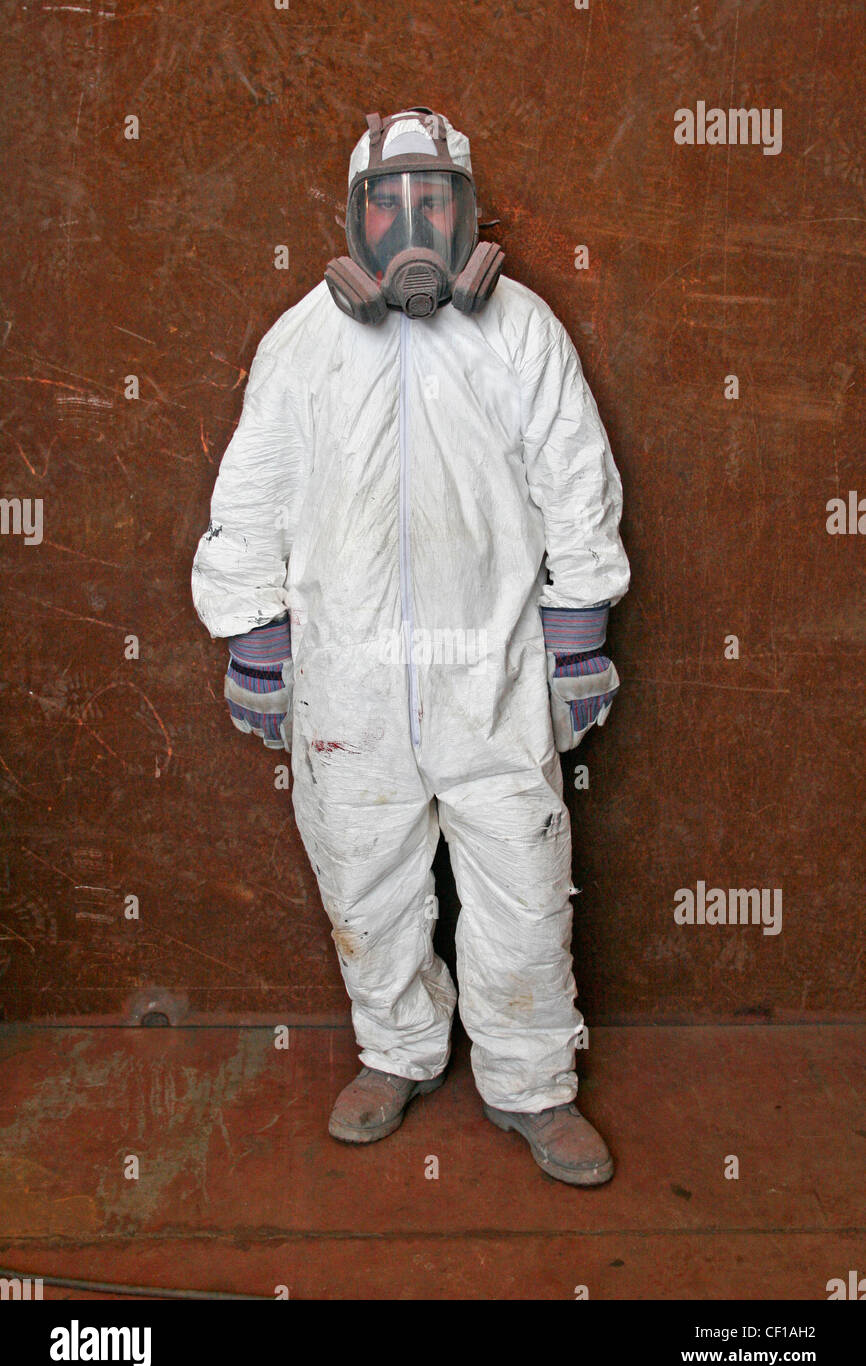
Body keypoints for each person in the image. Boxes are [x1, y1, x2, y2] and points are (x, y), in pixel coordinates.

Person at [191, 108, 630, 1187]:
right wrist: (253, 636)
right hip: (345, 687)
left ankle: (531, 1083)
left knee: (525, 881)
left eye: (435, 199)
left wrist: (575, 636)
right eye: (387, 205)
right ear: (352, 217)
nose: (411, 223)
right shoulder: (303, 340)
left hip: (492, 672)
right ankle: (396, 1052)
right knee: (364, 880)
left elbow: (575, 484)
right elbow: (250, 497)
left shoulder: (517, 329)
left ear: (468, 210)